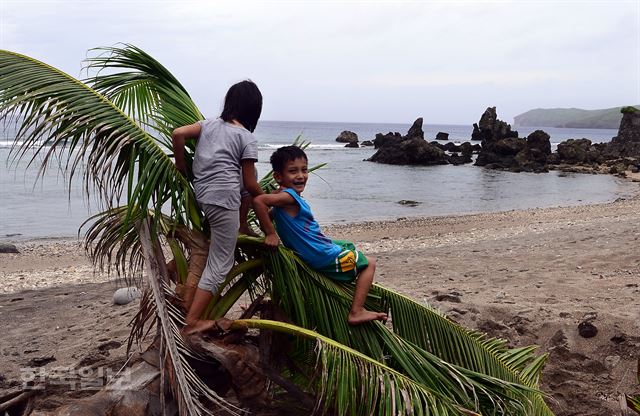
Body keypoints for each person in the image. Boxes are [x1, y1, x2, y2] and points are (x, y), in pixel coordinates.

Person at [253, 146, 388, 325]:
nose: (300, 176)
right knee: (369, 263)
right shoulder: (289, 197)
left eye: (304, 170)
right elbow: (258, 201)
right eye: (293, 171)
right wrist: (270, 233)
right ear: (278, 176)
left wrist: (268, 228)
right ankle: (357, 311)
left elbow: (269, 212)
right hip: (320, 255)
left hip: (317, 248)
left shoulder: (281, 198)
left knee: (347, 245)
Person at [172, 80, 263, 334]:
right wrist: (268, 199)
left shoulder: (208, 124)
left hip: (204, 195)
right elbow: (251, 183)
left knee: (248, 177)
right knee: (221, 262)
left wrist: (181, 167)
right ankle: (192, 321)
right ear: (253, 110)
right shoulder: (246, 137)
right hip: (224, 200)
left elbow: (178, 134)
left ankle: (242, 223)